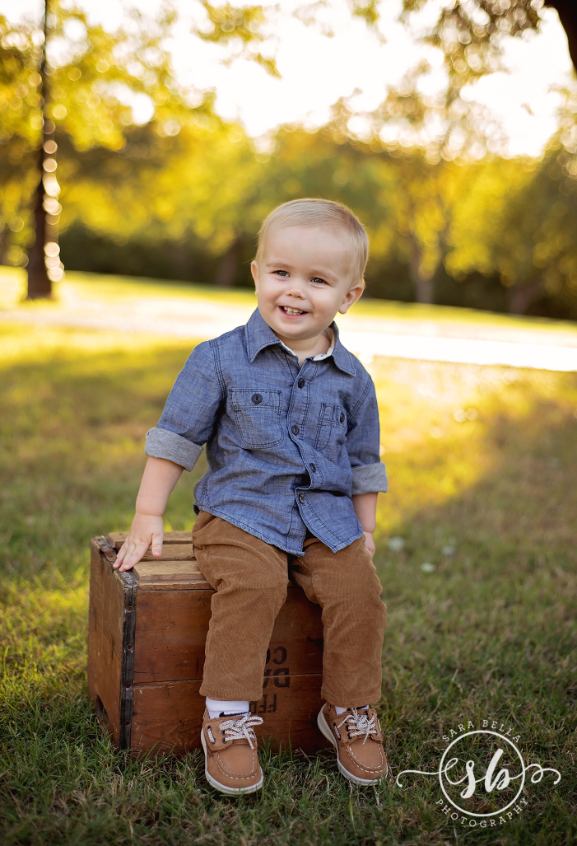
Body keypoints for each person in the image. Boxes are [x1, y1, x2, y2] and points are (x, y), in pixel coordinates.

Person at [114, 198, 389, 795]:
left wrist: (363, 529)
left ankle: (349, 708)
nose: (295, 291)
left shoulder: (353, 379)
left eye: (318, 280)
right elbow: (177, 438)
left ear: (349, 295)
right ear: (258, 274)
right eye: (282, 273)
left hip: (325, 518)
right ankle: (228, 717)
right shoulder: (218, 359)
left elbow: (364, 460)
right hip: (238, 515)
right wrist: (147, 513)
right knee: (256, 585)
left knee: (358, 591)